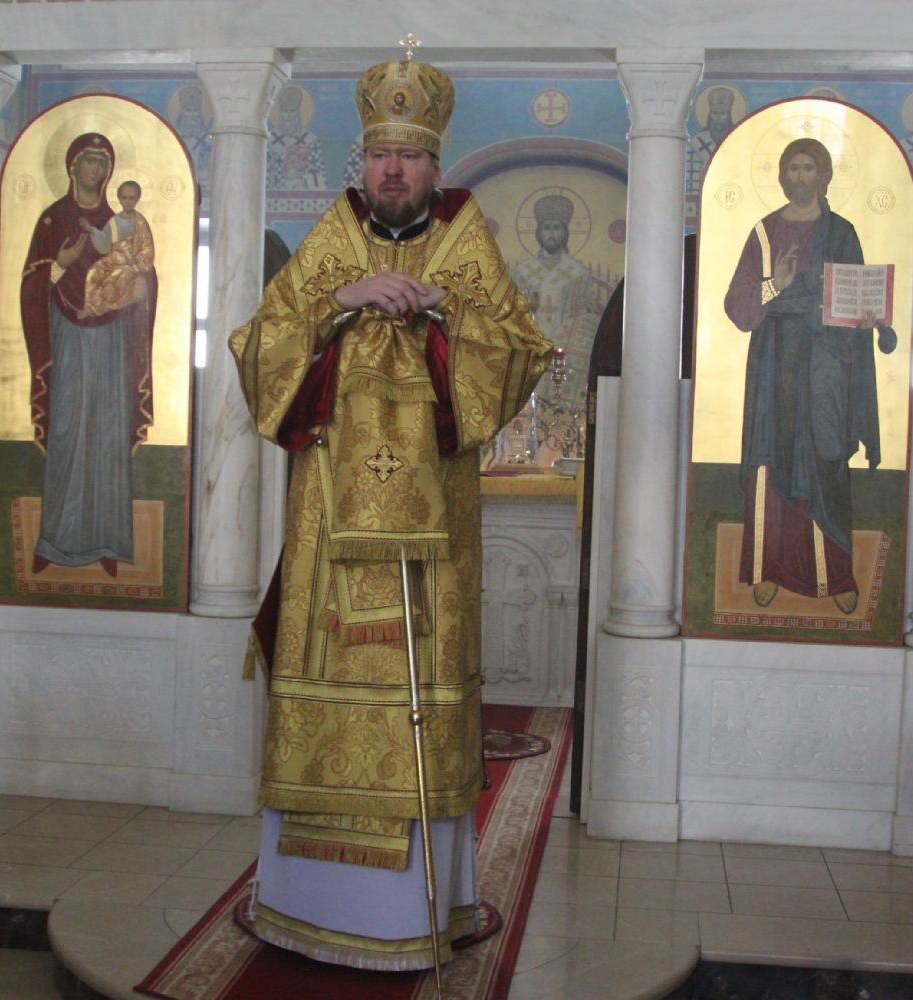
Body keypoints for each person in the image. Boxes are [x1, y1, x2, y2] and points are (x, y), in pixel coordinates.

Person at [230, 50, 552, 971]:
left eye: (409, 156)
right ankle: (300, 904)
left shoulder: (465, 239)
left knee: (422, 702)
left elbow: (523, 352)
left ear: (434, 166)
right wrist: (343, 300)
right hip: (327, 544)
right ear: (362, 162)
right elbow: (258, 349)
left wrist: (444, 308)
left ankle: (420, 910)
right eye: (380, 155)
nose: (394, 171)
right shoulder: (331, 239)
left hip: (428, 552)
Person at [723, 137, 897, 615]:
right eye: (793, 169)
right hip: (774, 362)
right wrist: (773, 285)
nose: (800, 177)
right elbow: (737, 305)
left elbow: (855, 296)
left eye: (808, 168)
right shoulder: (764, 233)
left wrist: (864, 319)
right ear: (782, 177)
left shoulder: (842, 233)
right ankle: (767, 568)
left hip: (825, 366)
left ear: (824, 176)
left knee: (826, 459)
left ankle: (835, 575)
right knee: (770, 458)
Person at [20, 133, 156, 578]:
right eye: (88, 161)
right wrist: (58, 264)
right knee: (67, 427)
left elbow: (143, 271)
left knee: (108, 430)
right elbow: (31, 284)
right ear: (72, 167)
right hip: (65, 333)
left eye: (102, 163)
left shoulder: (122, 223)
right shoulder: (51, 219)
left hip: (112, 335)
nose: (95, 169)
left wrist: (139, 287)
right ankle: (54, 540)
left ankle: (107, 541)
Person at [510, 193, 599, 404]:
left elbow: (586, 317)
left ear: (565, 233)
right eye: (547, 227)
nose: (551, 233)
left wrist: (561, 337)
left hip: (566, 350)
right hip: (531, 347)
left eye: (557, 228)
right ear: (539, 233)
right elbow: (511, 314)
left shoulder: (578, 273)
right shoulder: (522, 272)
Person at [80, 179, 155, 318]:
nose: (128, 202)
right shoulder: (114, 221)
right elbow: (104, 242)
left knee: (114, 278)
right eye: (124, 198)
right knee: (93, 272)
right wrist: (91, 229)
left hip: (129, 264)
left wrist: (136, 259)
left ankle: (102, 307)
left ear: (137, 199)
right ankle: (89, 307)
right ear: (119, 199)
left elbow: (148, 247)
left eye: (131, 198)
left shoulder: (140, 222)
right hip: (112, 260)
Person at [266, 84, 327, 190]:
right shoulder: (269, 139)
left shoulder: (310, 140)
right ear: (280, 113)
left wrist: (300, 177)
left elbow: (318, 172)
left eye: (292, 111)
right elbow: (265, 173)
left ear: (298, 112)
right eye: (285, 111)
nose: (288, 117)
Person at [686, 86, 739, 202]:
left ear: (730, 116)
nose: (719, 119)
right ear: (709, 115)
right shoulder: (696, 142)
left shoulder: (738, 140)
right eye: (715, 113)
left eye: (723, 114)